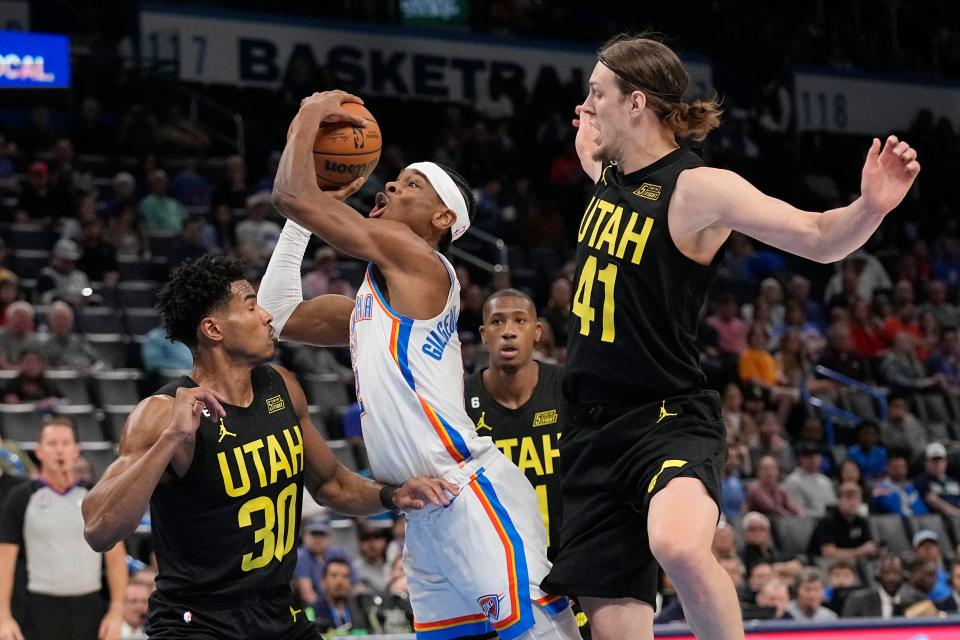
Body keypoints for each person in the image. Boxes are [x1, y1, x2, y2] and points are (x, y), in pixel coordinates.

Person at [544, 30, 919, 640]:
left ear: (636, 103)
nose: (586, 106)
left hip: (664, 416)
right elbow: (591, 151)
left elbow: (819, 237)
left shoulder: (698, 189)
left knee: (680, 545)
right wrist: (589, 131)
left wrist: (870, 207)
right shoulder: (608, 169)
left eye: (596, 93)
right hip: (589, 432)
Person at [261, 91, 579, 639]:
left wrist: (309, 117)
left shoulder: (419, 260)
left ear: (442, 216)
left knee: (541, 635)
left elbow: (289, 193)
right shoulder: (374, 300)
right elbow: (277, 314)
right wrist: (302, 221)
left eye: (410, 184)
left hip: (468, 490)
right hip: (422, 507)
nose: (387, 184)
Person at [80, 255, 453, 640]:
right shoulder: (162, 414)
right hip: (198, 622)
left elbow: (331, 484)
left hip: (277, 609)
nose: (268, 316)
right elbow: (99, 529)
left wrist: (393, 494)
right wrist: (171, 438)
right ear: (213, 329)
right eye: (251, 305)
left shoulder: (282, 385)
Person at [0, 416, 127, 640]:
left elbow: (116, 558)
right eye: (52, 444)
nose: (59, 450)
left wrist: (116, 612)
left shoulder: (96, 496)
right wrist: (3, 617)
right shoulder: (21, 497)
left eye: (65, 443)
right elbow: (4, 561)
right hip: (38, 609)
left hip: (90, 608)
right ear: (39, 451)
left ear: (76, 449)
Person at [464, 289, 565, 558]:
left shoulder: (568, 388)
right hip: (494, 561)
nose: (508, 331)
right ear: (484, 335)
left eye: (519, 321)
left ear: (537, 331)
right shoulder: (459, 400)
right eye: (497, 322)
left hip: (568, 556)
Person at [807, 482, 876, 560]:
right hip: (819, 560)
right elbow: (829, 553)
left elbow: (870, 546)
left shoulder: (861, 521)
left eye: (857, 498)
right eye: (848, 498)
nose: (853, 503)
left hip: (851, 561)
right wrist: (859, 551)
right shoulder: (827, 520)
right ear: (838, 500)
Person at [842, 556, 914, 618]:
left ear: (904, 577)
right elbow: (846, 630)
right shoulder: (858, 600)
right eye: (886, 573)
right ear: (878, 576)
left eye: (896, 573)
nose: (891, 578)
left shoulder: (915, 601)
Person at [314, 558, 367, 634]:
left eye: (345, 576)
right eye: (334, 575)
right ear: (323, 581)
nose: (340, 581)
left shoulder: (361, 610)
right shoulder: (314, 611)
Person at [784, 442, 836, 517]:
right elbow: (798, 511)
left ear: (820, 458)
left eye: (815, 455)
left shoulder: (826, 481)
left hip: (828, 524)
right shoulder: (792, 481)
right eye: (807, 456)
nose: (812, 459)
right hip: (806, 524)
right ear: (800, 459)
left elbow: (832, 506)